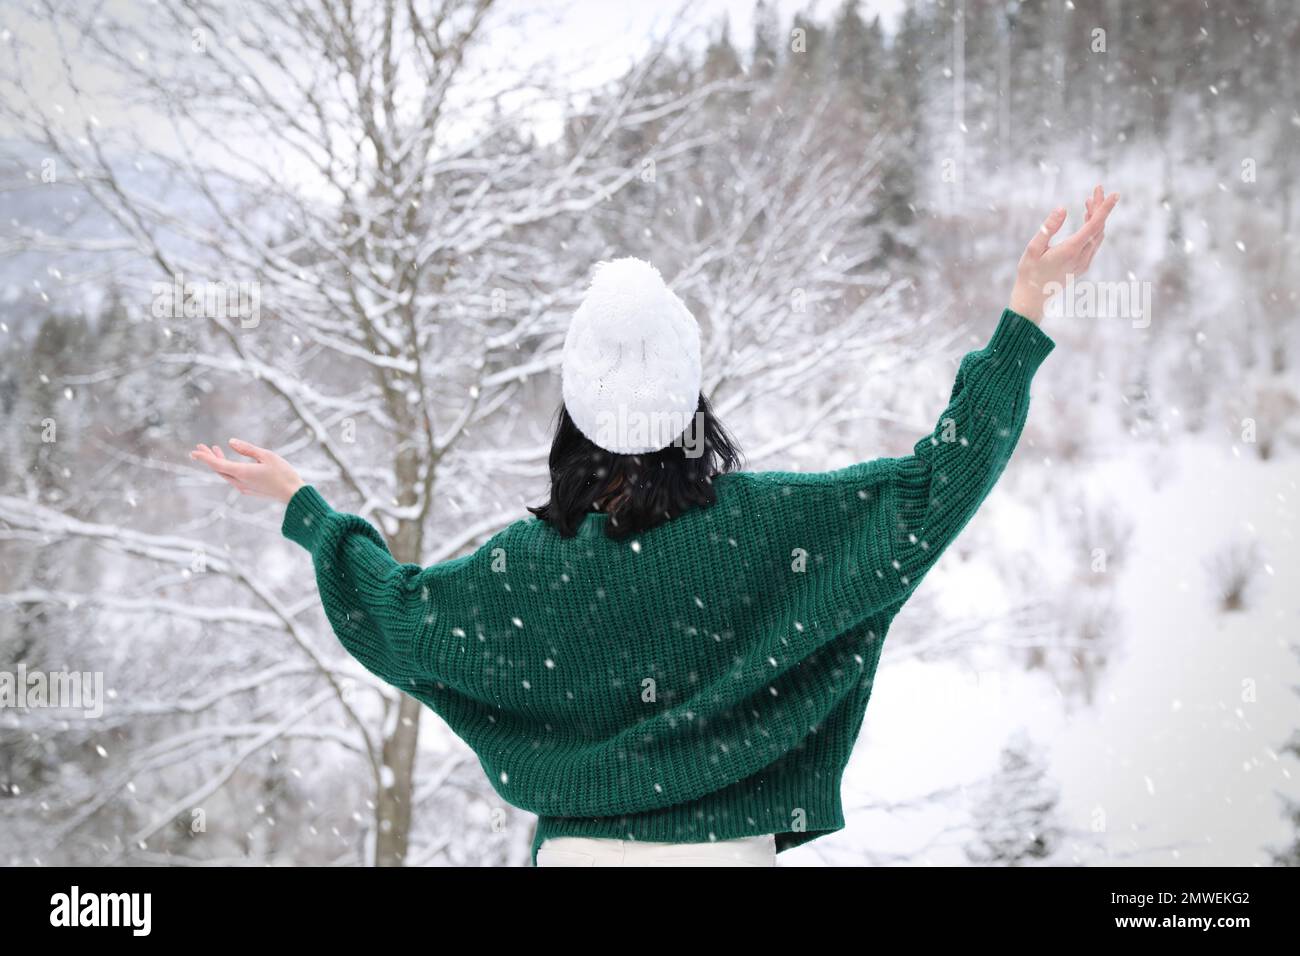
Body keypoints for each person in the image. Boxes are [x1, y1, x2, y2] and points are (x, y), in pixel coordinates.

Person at [190, 187, 1120, 867]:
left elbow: (394, 619)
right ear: (691, 404)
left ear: (575, 417)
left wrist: (305, 510)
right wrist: (1023, 313)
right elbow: (934, 486)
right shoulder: (770, 529)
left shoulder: (524, 571)